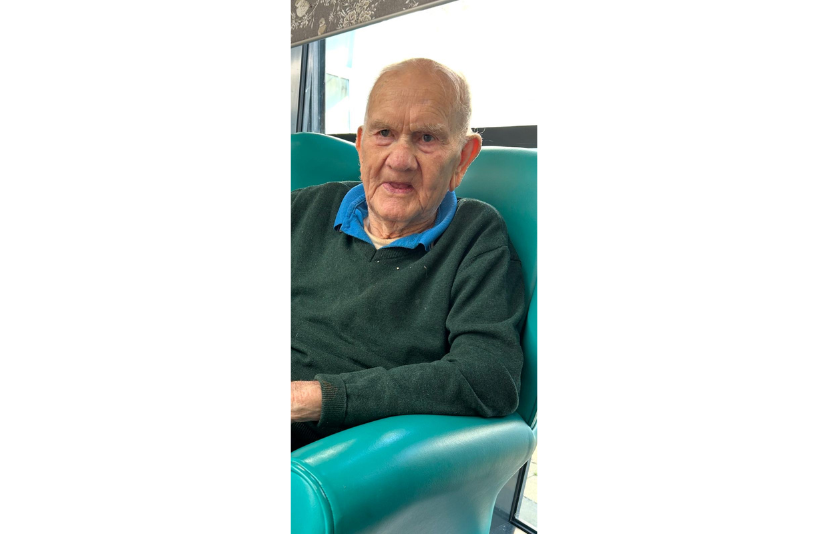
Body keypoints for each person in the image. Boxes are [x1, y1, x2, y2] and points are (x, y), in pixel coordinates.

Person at [291, 58, 525, 451]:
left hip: (344, 459)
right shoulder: (304, 208)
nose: (399, 160)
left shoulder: (476, 236)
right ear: (362, 145)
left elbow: (489, 377)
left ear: (463, 158)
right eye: (384, 133)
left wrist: (315, 398)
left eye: (426, 138)